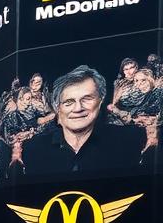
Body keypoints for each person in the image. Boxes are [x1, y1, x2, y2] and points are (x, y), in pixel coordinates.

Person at [19, 64, 147, 175]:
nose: (78, 108)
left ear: (100, 101)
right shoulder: (32, 150)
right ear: (58, 108)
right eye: (69, 102)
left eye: (86, 99)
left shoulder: (131, 140)